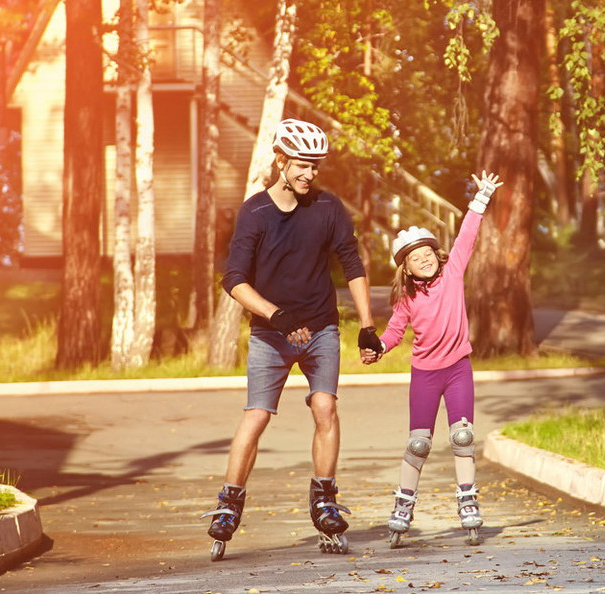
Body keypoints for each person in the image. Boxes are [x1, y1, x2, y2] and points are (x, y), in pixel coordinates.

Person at [203, 118, 383, 559]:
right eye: (302, 164)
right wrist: (275, 314)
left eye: (315, 166)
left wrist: (366, 324)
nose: (309, 174)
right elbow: (234, 280)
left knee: (325, 406)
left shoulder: (327, 208)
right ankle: (228, 504)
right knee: (258, 415)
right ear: (281, 160)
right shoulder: (255, 212)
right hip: (270, 332)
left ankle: (324, 501)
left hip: (320, 325)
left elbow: (352, 264)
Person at [361, 170, 502, 547]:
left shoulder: (453, 272)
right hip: (425, 374)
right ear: (404, 268)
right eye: (415, 258)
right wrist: (379, 347)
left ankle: (468, 500)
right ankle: (404, 506)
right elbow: (394, 331)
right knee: (418, 443)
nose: (423, 260)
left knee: (462, 436)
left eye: (427, 254)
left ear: (437, 257)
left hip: (458, 369)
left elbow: (467, 236)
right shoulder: (406, 299)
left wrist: (481, 197)